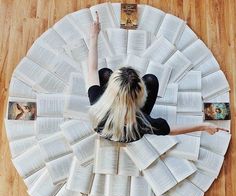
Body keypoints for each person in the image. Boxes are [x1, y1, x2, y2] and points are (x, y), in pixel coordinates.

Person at [87, 12, 229, 143]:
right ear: (138, 95)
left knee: (104, 72)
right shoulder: (144, 123)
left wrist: (94, 37)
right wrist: (204, 126)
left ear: (111, 90)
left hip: (107, 130)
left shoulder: (96, 102)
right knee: (151, 80)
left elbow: (92, 69)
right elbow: (172, 130)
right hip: (131, 133)